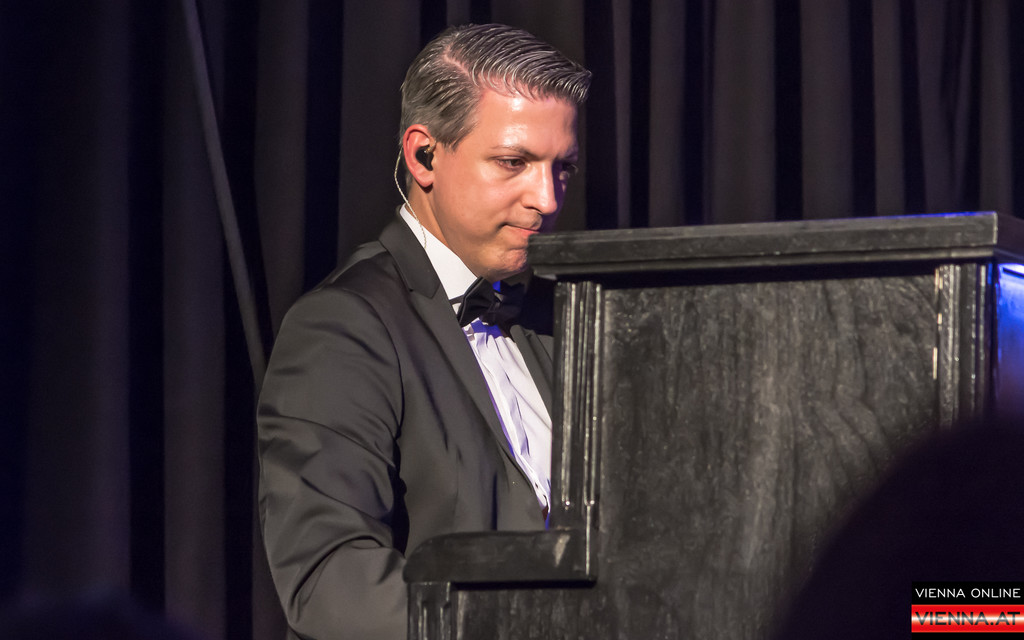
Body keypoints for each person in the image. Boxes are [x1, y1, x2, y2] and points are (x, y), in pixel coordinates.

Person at [256, 23, 591, 640]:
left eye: (562, 167)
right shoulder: (344, 326)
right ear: (424, 155)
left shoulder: (568, 313)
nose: (547, 199)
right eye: (513, 162)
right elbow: (328, 578)